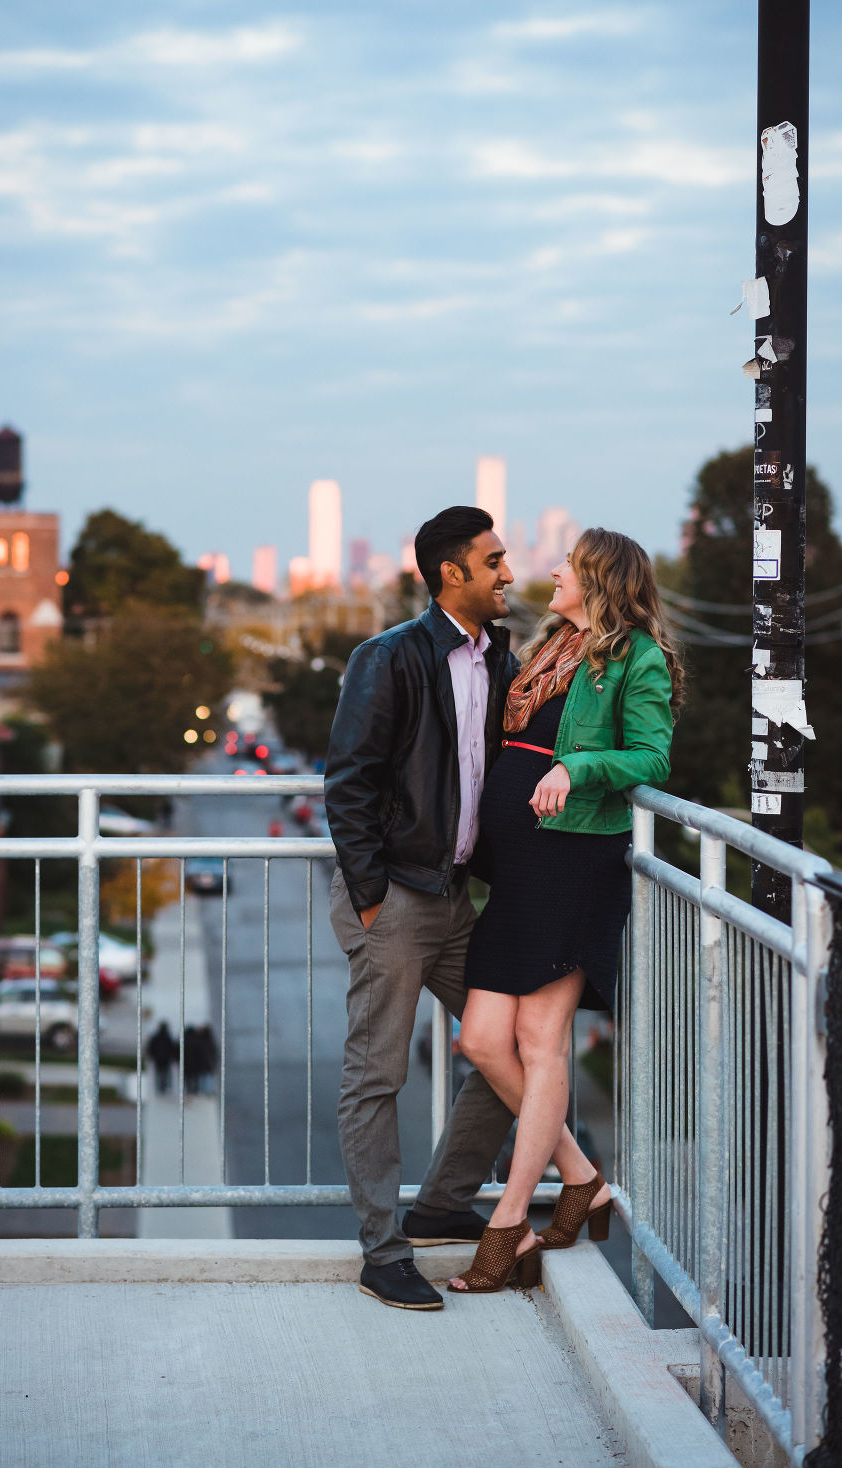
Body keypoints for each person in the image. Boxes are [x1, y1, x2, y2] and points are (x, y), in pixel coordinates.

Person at [447, 527, 682, 1294]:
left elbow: (651, 757)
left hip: (575, 861)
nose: (550, 572)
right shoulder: (545, 651)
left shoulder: (635, 658)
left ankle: (510, 1223)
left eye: (568, 566)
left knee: (540, 1042)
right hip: (519, 867)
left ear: (599, 579)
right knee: (483, 1040)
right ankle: (580, 1176)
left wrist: (578, 766)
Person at [325, 505, 520, 1311]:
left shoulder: (499, 656)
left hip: (456, 900)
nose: (509, 573)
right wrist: (373, 898)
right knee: (377, 1075)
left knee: (516, 1049)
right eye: (495, 560)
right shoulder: (392, 658)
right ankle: (382, 1251)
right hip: (397, 900)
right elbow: (350, 781)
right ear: (452, 572)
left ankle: (443, 1202)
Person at [147, 1020, 177, 1095]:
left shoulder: (156, 1037)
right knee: (165, 1073)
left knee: (159, 1073)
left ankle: (159, 1087)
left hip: (158, 1059)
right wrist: (173, 1057)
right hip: (166, 1059)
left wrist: (151, 1055)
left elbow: (151, 1048)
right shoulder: (168, 1037)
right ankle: (163, 1086)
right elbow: (172, 1048)